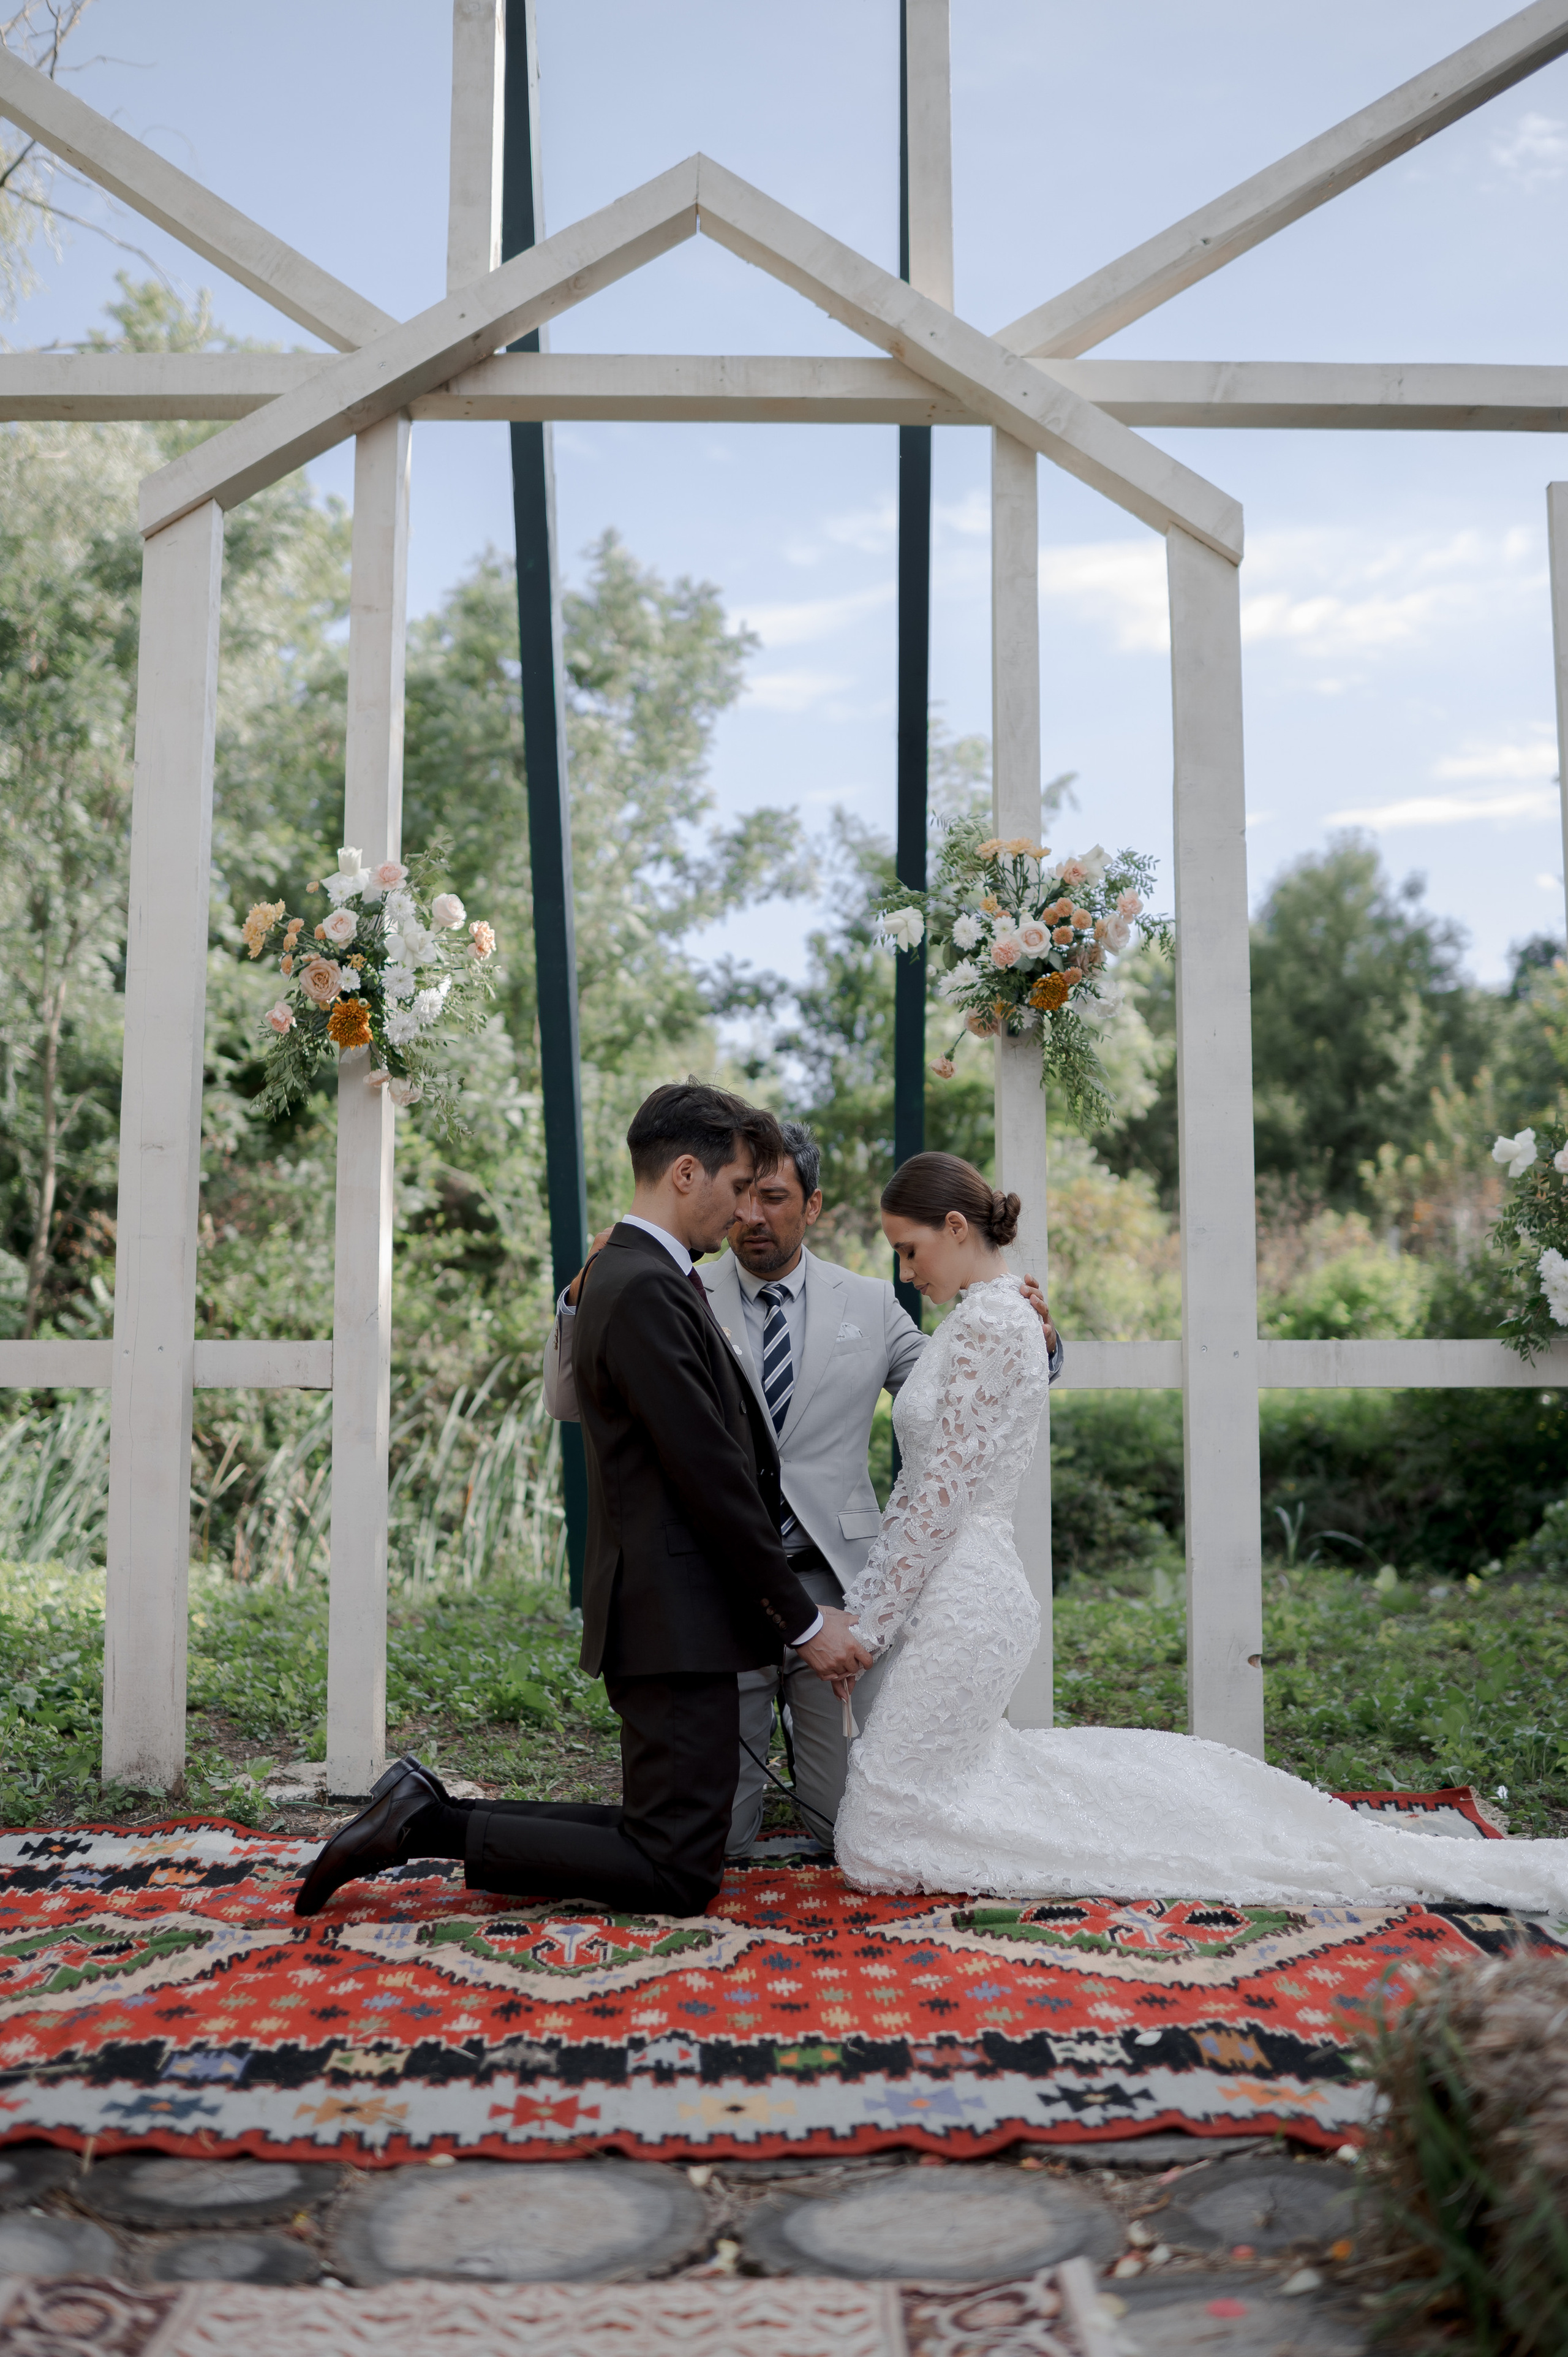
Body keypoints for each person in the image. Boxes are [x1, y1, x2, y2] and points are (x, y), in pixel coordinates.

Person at [834, 1149, 1568, 1914]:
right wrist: (874, 1610)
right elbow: (922, 1488)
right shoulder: (989, 1316)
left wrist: (868, 1625)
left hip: (965, 1599)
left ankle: (1163, 1834)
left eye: (908, 1250)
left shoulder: (993, 1320)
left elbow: (938, 1500)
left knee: (876, 1837)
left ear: (955, 1227)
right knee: (915, 1810)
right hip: (956, 1589)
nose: (905, 1271)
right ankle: (1147, 1811)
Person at [295, 1083, 871, 1922]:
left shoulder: (646, 1275)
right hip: (674, 1617)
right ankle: (427, 1821)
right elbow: (708, 1472)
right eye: (739, 1182)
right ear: (685, 1172)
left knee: (673, 1841)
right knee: (679, 1868)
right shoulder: (640, 1285)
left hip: (682, 1616)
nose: (746, 1205)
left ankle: (427, 1813)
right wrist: (806, 1622)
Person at [544, 1119, 1063, 1853]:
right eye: (743, 1195)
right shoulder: (669, 1288)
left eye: (775, 1197)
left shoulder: (871, 1303)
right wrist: (580, 1296)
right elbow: (571, 1402)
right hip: (720, 1585)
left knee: (844, 1825)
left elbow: (954, 1400)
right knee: (714, 1836)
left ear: (812, 1206)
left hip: (840, 1584)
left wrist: (1035, 1339)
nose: (751, 1215)